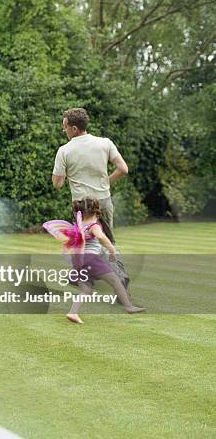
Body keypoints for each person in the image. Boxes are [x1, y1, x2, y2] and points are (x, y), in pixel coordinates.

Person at [52, 107, 130, 288]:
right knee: (107, 239)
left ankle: (92, 276)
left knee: (82, 241)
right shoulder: (105, 143)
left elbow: (57, 184)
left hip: (82, 204)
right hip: (104, 199)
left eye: (65, 126)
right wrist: (106, 182)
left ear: (74, 129)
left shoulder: (64, 150)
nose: (63, 130)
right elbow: (123, 169)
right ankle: (101, 274)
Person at [43, 198, 145, 324]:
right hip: (91, 259)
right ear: (96, 213)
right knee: (115, 280)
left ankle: (73, 312)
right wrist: (112, 250)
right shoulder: (94, 226)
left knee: (86, 290)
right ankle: (129, 307)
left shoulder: (79, 226)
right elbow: (102, 237)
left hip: (79, 260)